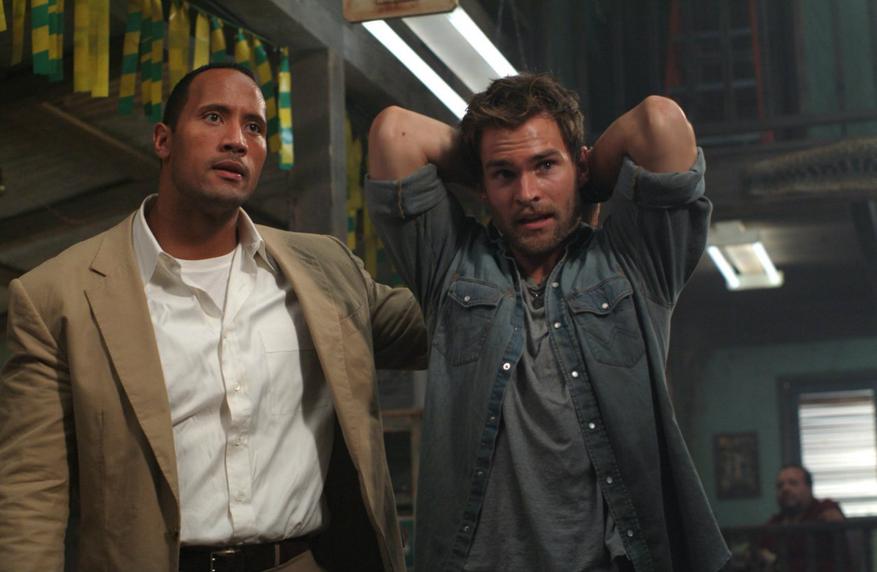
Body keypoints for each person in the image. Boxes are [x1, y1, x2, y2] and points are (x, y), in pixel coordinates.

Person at [0, 63, 426, 572]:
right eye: (213, 117)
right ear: (163, 140)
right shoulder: (59, 297)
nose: (236, 141)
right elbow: (31, 491)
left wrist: (486, 160)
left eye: (254, 126)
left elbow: (453, 324)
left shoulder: (324, 271)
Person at [365, 73, 729, 571]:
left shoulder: (634, 262)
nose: (527, 193)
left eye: (545, 165)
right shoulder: (451, 265)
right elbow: (394, 134)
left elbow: (659, 124)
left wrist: (582, 178)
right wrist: (499, 170)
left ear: (579, 163)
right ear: (482, 184)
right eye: (505, 175)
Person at [759, 464, 848, 571]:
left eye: (793, 483)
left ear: (809, 488)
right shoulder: (775, 523)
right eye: (780, 486)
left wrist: (833, 513)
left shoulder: (823, 509)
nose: (785, 489)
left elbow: (834, 517)